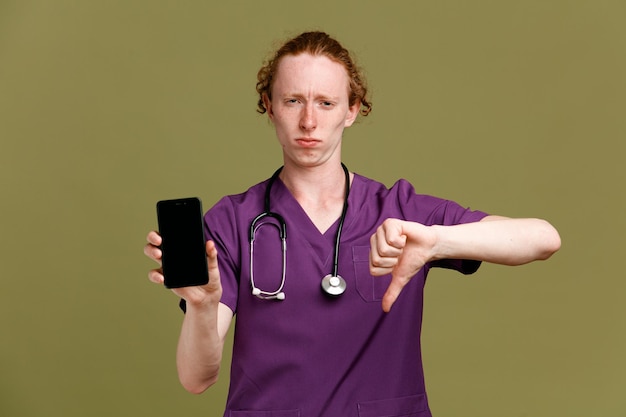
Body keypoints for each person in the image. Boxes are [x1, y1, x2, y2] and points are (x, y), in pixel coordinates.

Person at [144, 31, 561, 417]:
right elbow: (195, 379)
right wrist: (201, 307)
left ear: (352, 109)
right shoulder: (232, 221)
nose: (309, 121)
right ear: (269, 107)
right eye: (292, 101)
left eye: (326, 102)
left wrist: (436, 242)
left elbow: (543, 238)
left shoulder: (400, 209)